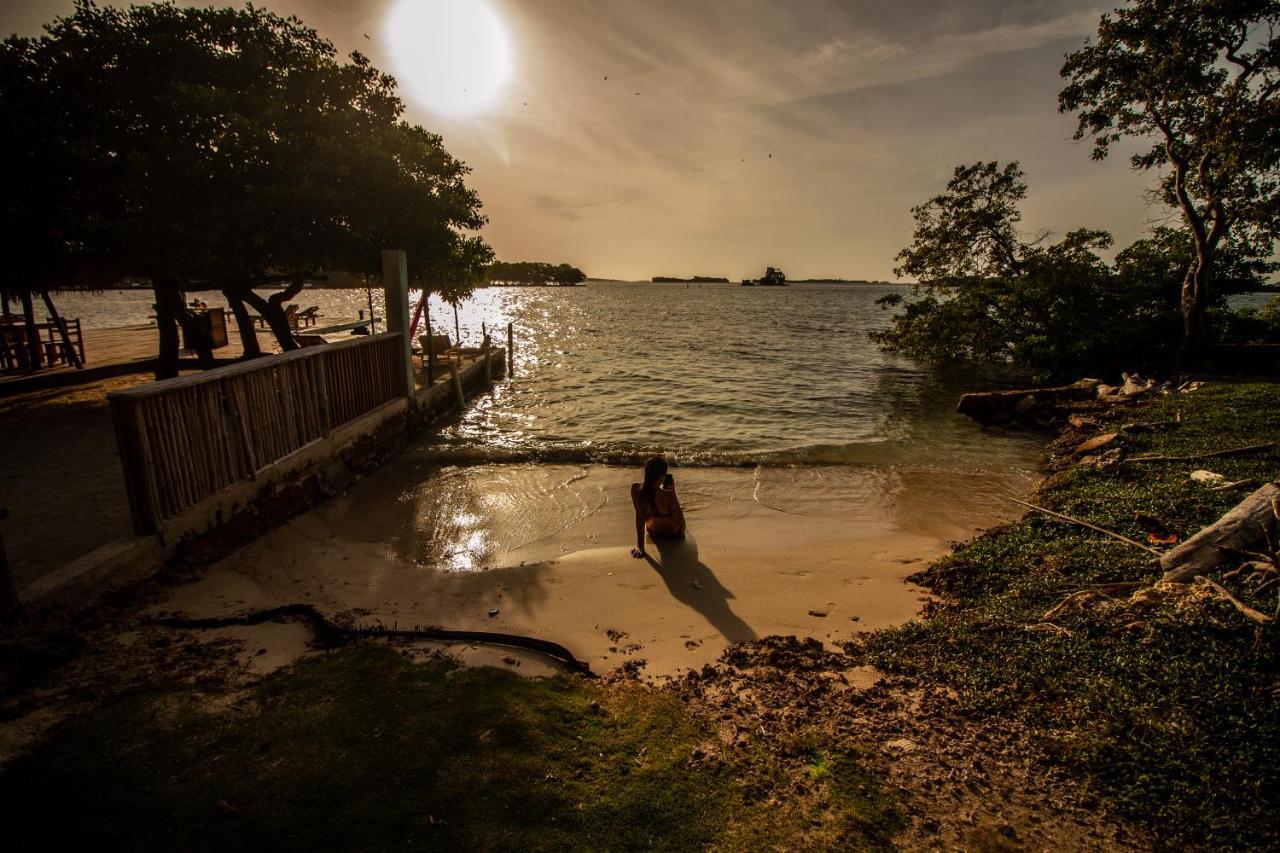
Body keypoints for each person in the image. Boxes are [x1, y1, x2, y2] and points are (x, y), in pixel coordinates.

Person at [630, 456, 686, 558]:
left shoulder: (635, 490)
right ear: (660, 477)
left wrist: (640, 547)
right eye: (663, 476)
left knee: (661, 498)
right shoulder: (668, 495)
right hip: (674, 534)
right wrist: (672, 494)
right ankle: (669, 485)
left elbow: (639, 517)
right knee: (669, 487)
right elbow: (679, 520)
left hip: (653, 532)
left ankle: (666, 488)